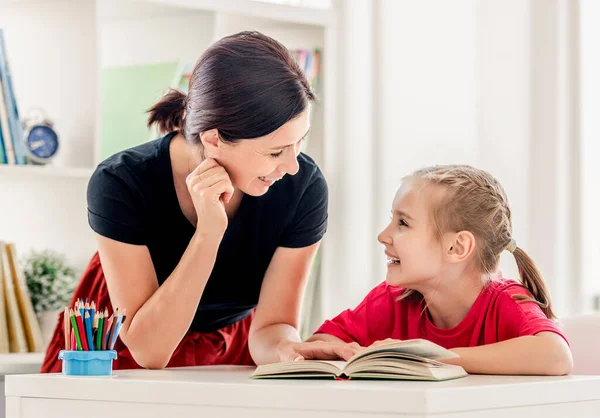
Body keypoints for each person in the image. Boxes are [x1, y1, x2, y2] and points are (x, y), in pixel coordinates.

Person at [41, 31, 356, 372]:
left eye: (299, 143)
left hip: (230, 341)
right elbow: (150, 351)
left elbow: (271, 328)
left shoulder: (302, 187)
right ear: (213, 139)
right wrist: (208, 233)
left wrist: (289, 350)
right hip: (120, 339)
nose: (292, 165)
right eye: (276, 151)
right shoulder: (120, 183)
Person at [308, 165, 573, 375]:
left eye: (403, 223)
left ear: (457, 247)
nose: (383, 236)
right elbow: (321, 341)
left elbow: (556, 356)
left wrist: (428, 355)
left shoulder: (506, 301)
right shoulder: (394, 299)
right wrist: (350, 353)